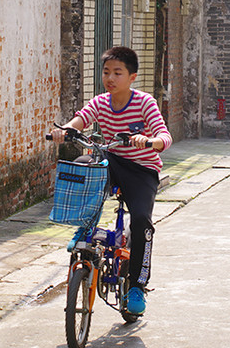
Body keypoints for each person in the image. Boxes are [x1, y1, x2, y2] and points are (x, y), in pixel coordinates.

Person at [50, 46, 172, 316]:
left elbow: (165, 136)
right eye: (106, 72)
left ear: (132, 77)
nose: (111, 78)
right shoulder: (101, 102)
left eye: (118, 72)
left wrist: (150, 141)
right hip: (113, 162)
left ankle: (138, 286)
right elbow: (81, 119)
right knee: (82, 166)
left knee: (141, 221)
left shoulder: (145, 103)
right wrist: (67, 131)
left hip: (142, 169)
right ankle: (83, 228)